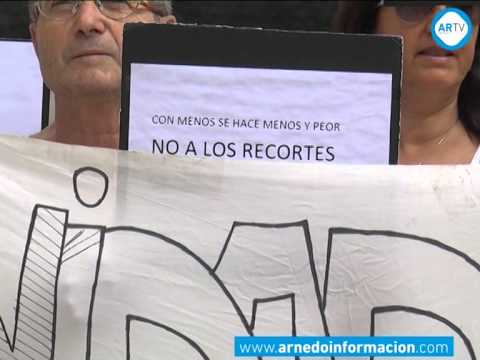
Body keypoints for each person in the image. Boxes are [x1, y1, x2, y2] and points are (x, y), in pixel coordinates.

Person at [333, 1, 480, 164]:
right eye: (415, 6)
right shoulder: (317, 145)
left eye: (462, 8)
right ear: (370, 24)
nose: (440, 29)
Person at [29, 0, 176, 148]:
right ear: (36, 41)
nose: (86, 22)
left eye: (114, 2)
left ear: (167, 35)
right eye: (64, 3)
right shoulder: (7, 168)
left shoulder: (196, 165)